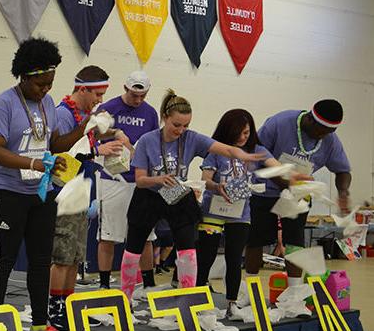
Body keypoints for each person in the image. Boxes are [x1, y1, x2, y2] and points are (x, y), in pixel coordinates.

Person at [0, 37, 86, 331]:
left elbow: (54, 145)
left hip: (40, 192)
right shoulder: (4, 103)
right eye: (40, 84)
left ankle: (41, 324)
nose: (46, 90)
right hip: (8, 191)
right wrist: (33, 162)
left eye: (50, 83)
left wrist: (84, 130)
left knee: (41, 260)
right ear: (24, 77)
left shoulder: (48, 105)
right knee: (4, 259)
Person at [119, 90, 265, 301]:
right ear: (165, 118)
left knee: (188, 251)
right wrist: (158, 179)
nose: (181, 130)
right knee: (133, 248)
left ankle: (188, 298)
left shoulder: (191, 138)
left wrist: (244, 154)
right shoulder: (147, 140)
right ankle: (126, 298)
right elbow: (140, 179)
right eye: (176, 125)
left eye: (186, 125)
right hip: (149, 195)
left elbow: (224, 148)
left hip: (179, 194)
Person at [48, 65, 128, 331]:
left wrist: (114, 135)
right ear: (81, 89)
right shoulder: (63, 113)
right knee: (62, 255)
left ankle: (68, 303)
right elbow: (59, 149)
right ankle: (54, 308)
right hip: (64, 191)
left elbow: (87, 140)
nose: (100, 100)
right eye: (97, 94)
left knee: (75, 255)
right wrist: (98, 149)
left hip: (81, 189)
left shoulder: (84, 114)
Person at [195, 109, 296, 314]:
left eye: (246, 133)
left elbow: (278, 169)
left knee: (234, 258)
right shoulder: (218, 151)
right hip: (213, 211)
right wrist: (216, 187)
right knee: (206, 256)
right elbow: (205, 179)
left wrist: (298, 178)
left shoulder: (258, 150)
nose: (242, 138)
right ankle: (198, 299)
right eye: (237, 133)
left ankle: (232, 302)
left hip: (240, 214)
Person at [244, 99, 350, 289]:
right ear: (309, 119)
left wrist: (343, 192)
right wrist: (283, 182)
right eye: (319, 132)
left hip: (297, 195)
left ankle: (294, 292)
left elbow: (343, 170)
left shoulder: (329, 140)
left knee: (295, 241)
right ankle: (249, 288)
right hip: (264, 190)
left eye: (327, 134)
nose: (321, 137)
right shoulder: (279, 123)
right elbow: (256, 153)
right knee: (256, 239)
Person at [96, 71, 160, 290]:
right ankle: (104, 284)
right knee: (108, 234)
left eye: (142, 96)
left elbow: (154, 143)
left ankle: (148, 282)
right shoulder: (110, 108)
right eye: (134, 95)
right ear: (125, 88)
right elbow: (92, 134)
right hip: (113, 177)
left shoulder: (150, 113)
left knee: (146, 235)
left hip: (140, 179)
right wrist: (115, 134)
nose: (138, 100)